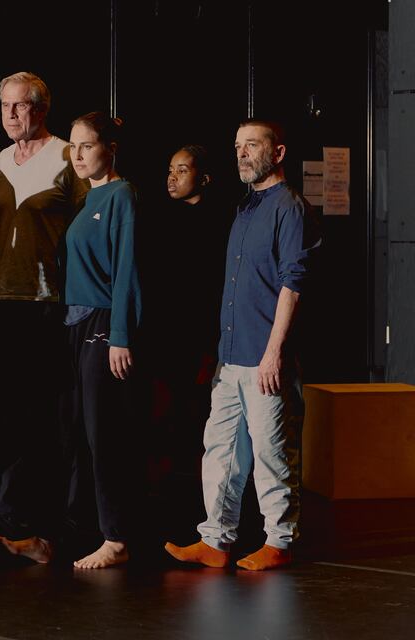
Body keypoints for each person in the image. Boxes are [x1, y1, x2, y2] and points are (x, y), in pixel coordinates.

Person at [164, 119, 321, 571]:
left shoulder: (289, 207)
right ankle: (215, 539)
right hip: (231, 356)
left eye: (252, 145)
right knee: (221, 450)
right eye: (238, 146)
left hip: (264, 357)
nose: (242, 154)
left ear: (278, 152)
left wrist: (274, 352)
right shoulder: (245, 206)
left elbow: (293, 284)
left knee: (272, 452)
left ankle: (279, 541)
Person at [0, 71, 88, 564]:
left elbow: (88, 231)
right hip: (4, 304)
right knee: (10, 418)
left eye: (20, 105)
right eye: (4, 105)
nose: (10, 114)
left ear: (41, 109)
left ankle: (54, 529)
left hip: (52, 304)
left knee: (53, 421)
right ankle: (10, 521)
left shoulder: (67, 157)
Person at [62, 112, 141, 569]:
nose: (77, 155)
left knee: (102, 433)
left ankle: (117, 538)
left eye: (87, 146)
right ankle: (83, 525)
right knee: (78, 432)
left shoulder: (121, 195)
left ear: (110, 149)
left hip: (103, 321)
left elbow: (127, 268)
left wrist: (120, 336)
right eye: (73, 147)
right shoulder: (87, 197)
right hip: (75, 322)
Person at [159, 145, 231, 474]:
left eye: (182, 170)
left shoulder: (218, 223)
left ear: (204, 178)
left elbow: (213, 289)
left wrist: (209, 348)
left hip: (201, 339)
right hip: (168, 336)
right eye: (170, 170)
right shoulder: (163, 220)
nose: (172, 177)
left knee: (199, 419)